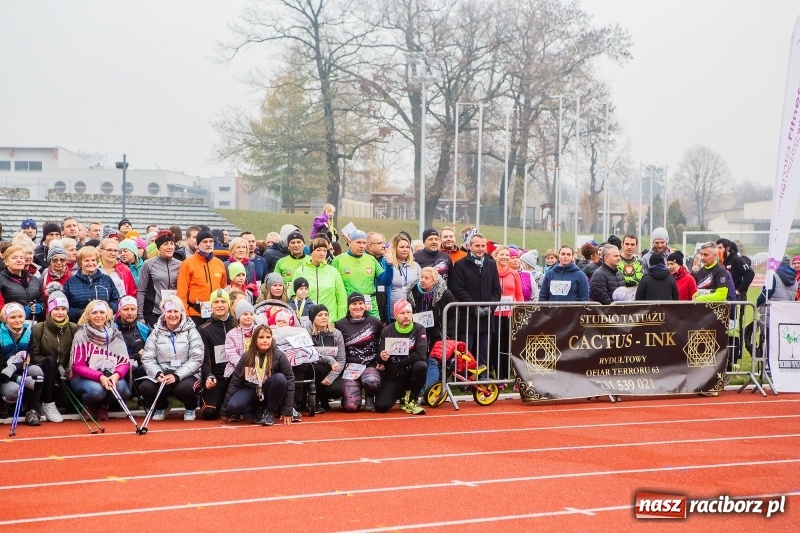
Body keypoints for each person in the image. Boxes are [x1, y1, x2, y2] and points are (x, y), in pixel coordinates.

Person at [140, 295, 204, 421]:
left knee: (185, 389)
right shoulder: (156, 332)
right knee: (145, 387)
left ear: (182, 313)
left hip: (187, 374)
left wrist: (176, 375)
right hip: (163, 372)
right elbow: (147, 358)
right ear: (164, 313)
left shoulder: (191, 331)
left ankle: (190, 408)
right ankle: (162, 406)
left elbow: (197, 358)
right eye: (169, 311)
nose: (173, 315)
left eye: (176, 311)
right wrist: (157, 373)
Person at [220, 324, 295, 426]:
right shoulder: (247, 356)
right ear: (255, 339)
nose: (265, 340)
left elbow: (290, 380)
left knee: (280, 378)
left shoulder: (279, 355)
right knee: (234, 407)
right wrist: (225, 409)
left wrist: (287, 410)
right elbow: (235, 382)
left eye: (268, 337)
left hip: (269, 392)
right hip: (252, 390)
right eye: (261, 337)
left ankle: (269, 412)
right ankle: (256, 411)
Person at [69, 300, 131, 421]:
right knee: (97, 390)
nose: (98, 316)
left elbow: (124, 361)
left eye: (102, 312)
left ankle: (103, 406)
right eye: (94, 312)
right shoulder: (81, 334)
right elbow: (77, 365)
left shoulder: (115, 334)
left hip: (110, 374)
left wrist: (116, 375)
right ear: (88, 315)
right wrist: (100, 377)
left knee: (121, 387)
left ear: (107, 314)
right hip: (83, 377)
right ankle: (89, 405)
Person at [449, 233, 501, 370]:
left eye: (483, 246)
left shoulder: (491, 264)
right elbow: (458, 289)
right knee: (466, 351)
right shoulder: (460, 265)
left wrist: (490, 308)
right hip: (468, 317)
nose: (480, 249)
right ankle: (464, 381)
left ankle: (482, 379)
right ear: (469, 246)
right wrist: (474, 308)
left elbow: (497, 290)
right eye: (477, 245)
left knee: (484, 352)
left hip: (486, 317)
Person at [29, 291, 78, 422]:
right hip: (45, 372)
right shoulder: (38, 328)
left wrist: (66, 369)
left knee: (69, 402)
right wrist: (56, 367)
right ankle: (47, 403)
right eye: (56, 309)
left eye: (63, 309)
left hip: (64, 375)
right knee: (50, 360)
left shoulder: (73, 328)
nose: (60, 312)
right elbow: (34, 356)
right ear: (50, 310)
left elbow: (76, 354)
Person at [374, 300, 428, 414]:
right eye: (402, 313)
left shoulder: (419, 329)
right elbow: (379, 356)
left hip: (411, 371)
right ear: (395, 315)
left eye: (408, 312)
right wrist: (382, 357)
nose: (406, 316)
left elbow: (421, 355)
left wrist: (401, 364)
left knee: (421, 365)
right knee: (381, 406)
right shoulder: (387, 330)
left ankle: (413, 400)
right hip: (394, 373)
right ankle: (402, 396)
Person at [407, 266, 456, 391]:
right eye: (421, 277)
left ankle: (429, 392)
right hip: (417, 332)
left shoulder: (444, 293)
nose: (423, 280)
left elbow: (453, 314)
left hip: (436, 332)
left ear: (434, 280)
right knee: (420, 360)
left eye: (427, 278)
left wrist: (447, 332)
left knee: (433, 361)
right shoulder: (412, 291)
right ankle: (419, 388)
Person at [335, 292, 383, 412]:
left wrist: (380, 360)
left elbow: (383, 342)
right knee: (350, 407)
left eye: (361, 303)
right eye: (354, 304)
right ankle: (354, 393)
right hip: (350, 369)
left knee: (372, 381)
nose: (358, 306)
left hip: (369, 366)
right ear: (348, 306)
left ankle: (370, 395)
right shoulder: (340, 324)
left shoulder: (375, 322)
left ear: (365, 305)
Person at [0, 303, 42, 425]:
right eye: (13, 317)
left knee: (36, 372)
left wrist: (19, 366)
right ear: (5, 318)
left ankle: (32, 411)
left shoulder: (28, 332)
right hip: (4, 375)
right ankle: (5, 404)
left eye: (20, 316)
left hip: (19, 369)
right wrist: (18, 378)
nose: (17, 320)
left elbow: (31, 358)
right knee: (15, 390)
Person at [177, 229, 228, 327]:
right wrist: (185, 315)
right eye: (205, 242)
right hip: (194, 314)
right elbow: (181, 293)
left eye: (211, 241)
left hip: (216, 314)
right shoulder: (187, 264)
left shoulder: (219, 264)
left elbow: (223, 290)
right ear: (197, 244)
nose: (208, 244)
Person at [198, 289, 235, 420]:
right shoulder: (204, 329)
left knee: (237, 410)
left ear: (229, 304)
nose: (220, 305)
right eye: (216, 302)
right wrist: (208, 376)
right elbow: (204, 358)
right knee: (209, 413)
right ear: (211, 305)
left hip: (236, 378)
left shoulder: (237, 324)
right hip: (217, 378)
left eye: (223, 301)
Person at [291, 237, 348, 322]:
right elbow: (292, 296)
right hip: (307, 322)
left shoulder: (333, 271)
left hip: (329, 321)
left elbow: (341, 298)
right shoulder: (300, 271)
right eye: (318, 250)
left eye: (325, 250)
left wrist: (340, 320)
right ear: (311, 252)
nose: (322, 253)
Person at [332, 230, 385, 320]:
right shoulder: (338, 260)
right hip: (349, 305)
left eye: (364, 243)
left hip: (369, 303)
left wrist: (390, 265)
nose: (362, 246)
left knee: (375, 331)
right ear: (349, 242)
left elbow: (386, 280)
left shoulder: (371, 259)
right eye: (358, 242)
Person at [63, 246, 120, 322]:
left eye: (93, 260)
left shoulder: (106, 279)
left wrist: (106, 310)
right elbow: (64, 305)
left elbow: (116, 300)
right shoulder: (71, 282)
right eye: (86, 261)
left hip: (104, 323)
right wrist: (78, 313)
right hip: (79, 323)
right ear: (80, 263)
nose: (91, 263)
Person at [137, 230, 181, 327]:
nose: (169, 247)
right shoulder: (148, 264)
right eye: (165, 244)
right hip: (154, 313)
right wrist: (140, 316)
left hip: (174, 313)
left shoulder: (180, 264)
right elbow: (141, 290)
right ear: (159, 247)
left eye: (172, 243)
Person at [493, 246, 523, 380]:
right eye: (502, 255)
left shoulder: (514, 273)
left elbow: (519, 295)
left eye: (507, 255)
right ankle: (496, 375)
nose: (505, 257)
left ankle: (507, 376)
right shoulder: (491, 272)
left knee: (508, 346)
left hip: (510, 315)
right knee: (495, 345)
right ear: (496, 256)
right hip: (494, 315)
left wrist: (521, 311)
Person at [308, 304, 345, 412]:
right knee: (318, 368)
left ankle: (325, 397)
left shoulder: (337, 334)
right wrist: (329, 359)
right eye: (320, 315)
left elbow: (341, 359)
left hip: (333, 369)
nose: (324, 317)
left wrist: (331, 377)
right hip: (315, 368)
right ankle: (319, 400)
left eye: (326, 315)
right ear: (313, 318)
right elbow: (309, 355)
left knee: (336, 391)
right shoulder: (307, 333)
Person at [0, 244, 44, 322]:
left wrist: (41, 307)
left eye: (21, 258)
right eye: (14, 258)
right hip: (10, 325)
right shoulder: (1, 279)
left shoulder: (34, 279)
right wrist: (19, 310)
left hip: (33, 325)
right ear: (6, 261)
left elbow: (42, 300)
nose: (19, 260)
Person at [386, 233, 421, 322]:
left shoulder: (415, 266)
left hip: (410, 311)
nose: (405, 250)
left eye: (407, 247)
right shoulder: (387, 265)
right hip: (393, 311)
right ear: (395, 248)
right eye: (402, 247)